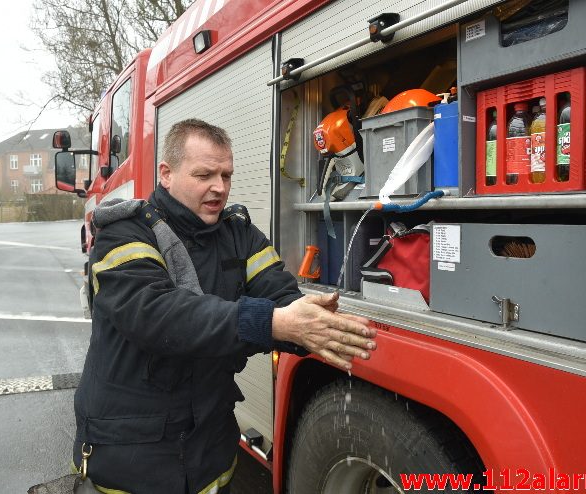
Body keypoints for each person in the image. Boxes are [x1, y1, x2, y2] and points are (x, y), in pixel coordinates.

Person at [72, 119, 377, 494]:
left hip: (211, 455)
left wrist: (307, 319)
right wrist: (275, 323)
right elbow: (158, 316)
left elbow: (278, 294)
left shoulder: (238, 234)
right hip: (131, 463)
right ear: (166, 174)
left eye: (226, 175)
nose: (219, 187)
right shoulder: (124, 234)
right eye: (204, 175)